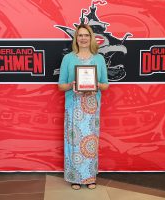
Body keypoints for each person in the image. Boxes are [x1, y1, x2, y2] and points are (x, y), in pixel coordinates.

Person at [58, 24, 109, 190]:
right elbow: (61, 86)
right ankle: (75, 178)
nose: (83, 38)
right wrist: (73, 84)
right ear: (76, 39)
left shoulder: (99, 59)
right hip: (74, 106)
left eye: (86, 35)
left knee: (90, 143)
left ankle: (89, 177)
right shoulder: (68, 59)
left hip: (91, 107)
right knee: (74, 141)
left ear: (91, 37)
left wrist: (96, 85)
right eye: (80, 35)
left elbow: (105, 85)